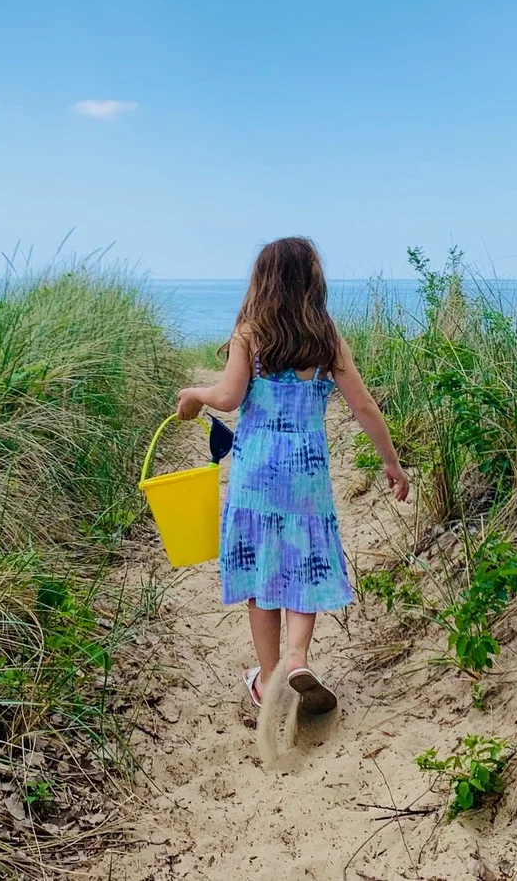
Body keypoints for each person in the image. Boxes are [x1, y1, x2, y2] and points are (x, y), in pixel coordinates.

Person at [176, 237, 410, 713]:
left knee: (264, 570)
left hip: (257, 466)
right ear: (312, 283)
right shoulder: (327, 341)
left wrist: (195, 394)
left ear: (263, 282)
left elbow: (228, 397)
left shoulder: (250, 334)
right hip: (306, 467)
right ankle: (298, 657)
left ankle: (268, 680)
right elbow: (362, 406)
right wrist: (390, 461)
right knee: (304, 558)